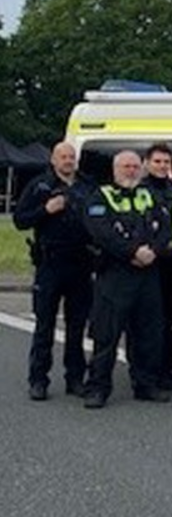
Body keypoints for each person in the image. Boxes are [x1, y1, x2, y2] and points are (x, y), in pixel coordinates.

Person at [80, 150, 172, 408]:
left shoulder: (150, 195)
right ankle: (97, 388)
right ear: (115, 169)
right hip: (116, 274)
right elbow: (101, 232)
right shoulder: (101, 196)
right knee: (106, 334)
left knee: (148, 334)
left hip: (148, 274)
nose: (131, 170)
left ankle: (145, 384)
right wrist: (133, 251)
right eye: (125, 166)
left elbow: (166, 228)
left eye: (134, 166)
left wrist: (152, 251)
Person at [14, 141, 94, 401]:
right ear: (54, 160)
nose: (68, 161)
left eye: (72, 157)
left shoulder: (87, 185)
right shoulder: (40, 185)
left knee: (76, 326)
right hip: (50, 264)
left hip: (81, 264)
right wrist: (45, 210)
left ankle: (75, 379)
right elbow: (20, 220)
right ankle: (38, 380)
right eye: (63, 157)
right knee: (45, 325)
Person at [142, 143, 172, 390]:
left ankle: (167, 370)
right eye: (157, 162)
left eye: (165, 163)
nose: (161, 166)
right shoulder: (140, 191)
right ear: (147, 163)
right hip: (149, 266)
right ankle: (147, 373)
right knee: (149, 323)